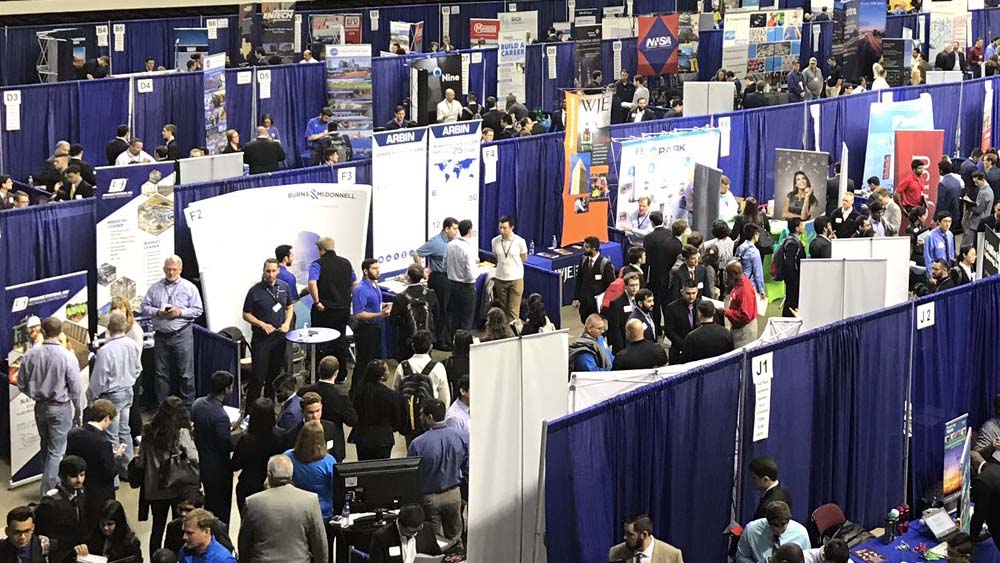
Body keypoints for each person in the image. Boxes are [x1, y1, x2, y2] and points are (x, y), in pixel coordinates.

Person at [16, 316, 83, 495]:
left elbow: (21, 383)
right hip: (60, 408)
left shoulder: (30, 355)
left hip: (40, 407)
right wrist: (78, 410)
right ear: (60, 332)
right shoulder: (67, 357)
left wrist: (36, 394)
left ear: (42, 331)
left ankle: (50, 484)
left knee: (46, 446)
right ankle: (48, 493)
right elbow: (76, 388)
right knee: (57, 451)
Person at [238, 455, 328, 563]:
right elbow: (319, 543)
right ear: (292, 475)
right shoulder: (310, 500)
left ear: (269, 475)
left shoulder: (252, 502)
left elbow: (244, 544)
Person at [142, 256, 204, 405]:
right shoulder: (154, 288)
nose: (171, 273)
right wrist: (158, 312)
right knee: (161, 374)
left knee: (186, 374)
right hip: (161, 337)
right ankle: (162, 409)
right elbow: (144, 307)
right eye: (168, 269)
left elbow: (198, 310)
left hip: (182, 334)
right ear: (164, 269)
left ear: (180, 270)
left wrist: (180, 312)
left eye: (174, 269)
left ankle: (188, 411)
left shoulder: (189, 288)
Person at [142, 396, 200, 553]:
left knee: (157, 528)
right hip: (176, 486)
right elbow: (194, 458)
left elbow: (141, 461)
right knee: (178, 527)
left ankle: (157, 559)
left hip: (154, 487)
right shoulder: (181, 433)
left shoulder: (148, 431)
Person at [408, 399, 468, 550]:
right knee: (455, 539)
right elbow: (467, 467)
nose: (420, 418)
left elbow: (410, 475)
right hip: (454, 494)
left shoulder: (418, 444)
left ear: (430, 417)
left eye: (422, 415)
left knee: (434, 542)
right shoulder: (462, 437)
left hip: (429, 498)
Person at [88, 311, 141, 463]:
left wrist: (90, 397)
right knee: (125, 430)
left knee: (111, 435)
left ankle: (114, 476)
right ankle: (129, 467)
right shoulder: (132, 345)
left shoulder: (105, 351)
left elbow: (98, 379)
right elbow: (138, 368)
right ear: (124, 327)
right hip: (128, 392)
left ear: (109, 328)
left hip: (111, 397)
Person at [66, 399, 124, 529]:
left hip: (79, 490)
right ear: (106, 418)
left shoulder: (73, 434)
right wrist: (117, 458)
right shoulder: (103, 443)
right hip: (99, 493)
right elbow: (109, 472)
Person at [308, 236, 355, 383]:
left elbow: (312, 283)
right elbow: (354, 282)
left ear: (321, 250)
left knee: (321, 343)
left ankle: (321, 376)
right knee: (340, 342)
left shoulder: (317, 264)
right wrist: (348, 298)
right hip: (342, 310)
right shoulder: (346, 263)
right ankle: (341, 375)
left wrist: (317, 302)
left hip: (324, 311)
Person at [191, 371, 235, 525]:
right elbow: (226, 443)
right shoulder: (221, 416)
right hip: (218, 469)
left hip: (201, 462)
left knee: (208, 504)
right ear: (227, 389)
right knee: (221, 509)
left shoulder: (198, 403)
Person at [231, 398, 285, 515]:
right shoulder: (282, 436)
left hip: (248, 486)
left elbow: (235, 465)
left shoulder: (246, 440)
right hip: (273, 486)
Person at [34, 456, 90, 563]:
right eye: (73, 476)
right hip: (60, 555)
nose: (79, 480)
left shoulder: (81, 491)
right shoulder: (50, 504)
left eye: (82, 475)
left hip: (80, 551)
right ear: (62, 476)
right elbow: (43, 537)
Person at [416, 217, 459, 350]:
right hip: (439, 279)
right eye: (454, 229)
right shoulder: (435, 242)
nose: (456, 232)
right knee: (441, 311)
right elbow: (417, 253)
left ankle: (448, 337)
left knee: (449, 310)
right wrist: (422, 271)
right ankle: (440, 341)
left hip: (451, 278)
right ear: (446, 229)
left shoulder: (453, 242)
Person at [284, 420, 337, 520]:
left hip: (295, 510)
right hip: (322, 513)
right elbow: (336, 489)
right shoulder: (329, 462)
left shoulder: (287, 456)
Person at [350, 360, 400, 460]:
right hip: (383, 439)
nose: (389, 372)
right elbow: (396, 417)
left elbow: (354, 412)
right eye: (387, 370)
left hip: (362, 437)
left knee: (364, 469)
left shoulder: (358, 391)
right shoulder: (389, 395)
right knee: (382, 471)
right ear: (381, 375)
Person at [353, 258, 391, 386]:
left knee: (374, 361)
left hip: (377, 327)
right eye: (374, 268)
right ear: (365, 271)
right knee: (363, 362)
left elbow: (373, 304)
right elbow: (359, 314)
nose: (378, 271)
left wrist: (383, 305)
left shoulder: (375, 285)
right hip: (366, 330)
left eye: (378, 268)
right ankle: (356, 391)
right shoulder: (360, 289)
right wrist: (380, 314)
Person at [736, 501, 810, 563]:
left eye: (783, 525)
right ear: (767, 521)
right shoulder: (751, 530)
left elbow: (806, 560)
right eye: (775, 525)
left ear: (788, 520)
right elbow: (741, 557)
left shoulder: (801, 533)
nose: (778, 530)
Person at [164, 491, 234, 555]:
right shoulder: (173, 526)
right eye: (181, 509)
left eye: (188, 510)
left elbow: (227, 551)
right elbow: (168, 555)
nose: (183, 514)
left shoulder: (216, 526)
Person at [367, 504, 443, 563]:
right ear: (400, 525)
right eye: (411, 531)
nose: (415, 534)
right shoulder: (382, 537)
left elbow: (436, 554)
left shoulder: (426, 528)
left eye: (417, 531)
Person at [644, 212, 681, 332]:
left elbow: (647, 259)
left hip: (655, 274)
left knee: (655, 301)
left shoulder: (648, 238)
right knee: (667, 302)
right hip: (669, 273)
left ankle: (657, 327)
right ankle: (669, 326)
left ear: (652, 222)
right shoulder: (670, 234)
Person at [490, 215, 529, 322]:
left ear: (512, 228)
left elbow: (524, 258)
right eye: (500, 227)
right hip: (500, 279)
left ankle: (513, 335)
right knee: (502, 309)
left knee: (513, 310)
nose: (502, 231)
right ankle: (503, 332)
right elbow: (496, 257)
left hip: (516, 279)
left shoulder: (520, 241)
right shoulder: (495, 241)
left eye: (505, 228)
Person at [396, 329, 451, 403]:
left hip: (406, 411)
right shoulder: (438, 367)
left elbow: (396, 392)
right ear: (431, 347)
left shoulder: (402, 367)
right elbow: (444, 396)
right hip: (429, 412)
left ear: (412, 346)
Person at [607, 514, 684, 563]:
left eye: (630, 534)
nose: (624, 537)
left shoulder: (672, 556)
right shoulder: (616, 553)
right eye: (625, 533)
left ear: (644, 535)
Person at [445, 219, 479, 332]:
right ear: (470, 231)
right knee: (466, 321)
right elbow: (470, 273)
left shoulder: (450, 245)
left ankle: (454, 344)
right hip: (466, 287)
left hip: (452, 285)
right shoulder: (468, 248)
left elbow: (445, 264)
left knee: (455, 318)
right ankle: (463, 347)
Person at [573, 236, 616, 324]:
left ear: (594, 249)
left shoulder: (605, 264)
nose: (583, 249)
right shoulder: (583, 260)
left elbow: (611, 286)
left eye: (586, 247)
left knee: (597, 327)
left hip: (597, 305)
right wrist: (576, 298)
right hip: (585, 304)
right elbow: (579, 280)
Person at [664, 281, 705, 364]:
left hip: (698, 351)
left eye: (694, 293)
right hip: (678, 350)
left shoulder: (702, 305)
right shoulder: (672, 308)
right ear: (682, 292)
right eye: (688, 293)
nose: (691, 296)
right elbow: (669, 330)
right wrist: (685, 346)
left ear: (697, 291)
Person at [725, 261, 759, 348]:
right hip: (738, 327)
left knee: (742, 357)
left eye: (728, 274)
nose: (726, 276)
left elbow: (745, 316)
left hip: (744, 331)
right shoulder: (738, 284)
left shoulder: (744, 290)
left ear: (735, 274)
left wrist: (726, 312)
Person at [971, 448, 1000, 546]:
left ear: (971, 467)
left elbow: (980, 513)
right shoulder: (995, 466)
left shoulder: (982, 480)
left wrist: (972, 538)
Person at [780, 218, 806, 317]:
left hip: (793, 278)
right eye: (801, 225)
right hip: (792, 279)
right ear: (797, 228)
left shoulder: (794, 241)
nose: (803, 227)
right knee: (791, 301)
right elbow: (790, 263)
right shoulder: (792, 243)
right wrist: (794, 279)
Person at [964, 171, 995, 246]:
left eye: (977, 182)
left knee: (968, 244)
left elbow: (978, 210)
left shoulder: (984, 192)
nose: (975, 184)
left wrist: (969, 204)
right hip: (982, 220)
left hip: (977, 222)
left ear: (983, 180)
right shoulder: (988, 190)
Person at [736, 224, 766, 297]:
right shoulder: (754, 251)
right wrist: (761, 290)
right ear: (755, 235)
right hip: (750, 284)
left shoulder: (740, 247)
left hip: (739, 282)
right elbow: (758, 272)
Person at [923, 212, 955, 277]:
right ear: (938, 222)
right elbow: (927, 257)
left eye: (949, 221)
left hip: (947, 271)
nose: (947, 224)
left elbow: (951, 253)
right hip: (936, 272)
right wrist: (930, 275)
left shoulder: (950, 235)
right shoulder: (930, 236)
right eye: (945, 221)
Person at [938, 159, 964, 227]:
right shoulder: (957, 181)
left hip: (945, 216)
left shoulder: (943, 184)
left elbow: (940, 203)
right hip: (956, 214)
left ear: (941, 170)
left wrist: (935, 218)